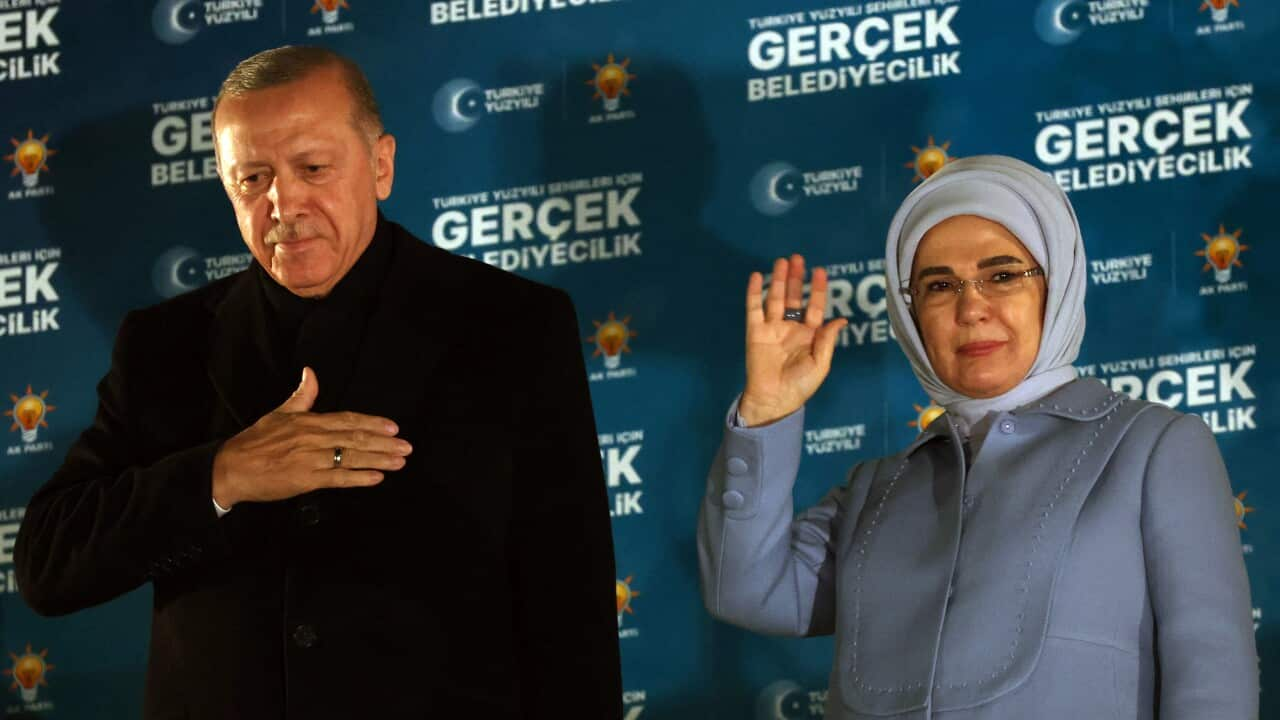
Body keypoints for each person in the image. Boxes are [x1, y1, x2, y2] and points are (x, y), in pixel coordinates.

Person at [14, 46, 622, 720]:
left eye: (312, 168)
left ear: (381, 165)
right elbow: (47, 565)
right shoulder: (163, 343)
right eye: (252, 178)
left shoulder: (512, 326)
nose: (283, 203)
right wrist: (221, 476)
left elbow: (571, 607)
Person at [698, 155, 1257, 718]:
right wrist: (767, 412)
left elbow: (1212, 682)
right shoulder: (877, 490)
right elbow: (745, 591)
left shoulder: (1152, 447)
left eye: (1003, 274)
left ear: (1055, 284)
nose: (971, 308)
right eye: (939, 286)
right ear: (910, 315)